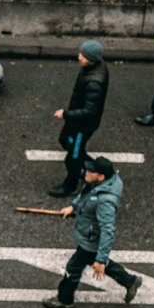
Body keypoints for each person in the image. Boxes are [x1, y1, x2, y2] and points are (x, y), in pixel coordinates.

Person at [42, 157, 143, 308]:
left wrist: (101, 260)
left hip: (91, 240)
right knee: (94, 260)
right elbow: (86, 193)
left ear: (101, 176)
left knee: (73, 268)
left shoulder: (105, 201)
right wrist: (74, 206)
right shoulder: (102, 183)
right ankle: (129, 281)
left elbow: (108, 230)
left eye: (91, 171)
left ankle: (64, 299)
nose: (86, 173)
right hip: (90, 236)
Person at [48, 40, 110, 198]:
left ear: (91, 58)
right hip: (77, 123)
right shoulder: (94, 66)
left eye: (83, 55)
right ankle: (92, 168)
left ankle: (71, 185)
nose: (79, 57)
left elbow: (89, 111)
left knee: (73, 157)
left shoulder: (95, 82)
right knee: (65, 141)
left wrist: (66, 114)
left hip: (82, 127)